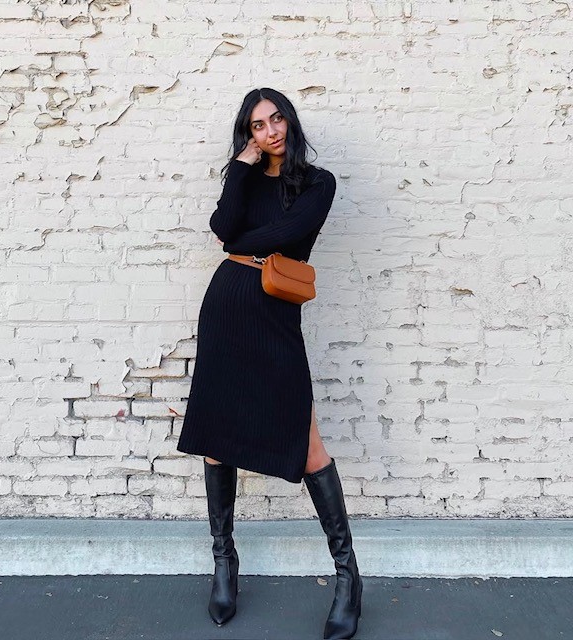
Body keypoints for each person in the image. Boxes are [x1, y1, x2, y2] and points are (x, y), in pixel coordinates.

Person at [176, 87, 363, 640]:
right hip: (228, 303)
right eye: (257, 126)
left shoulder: (317, 182)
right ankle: (224, 563)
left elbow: (285, 235)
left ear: (290, 120)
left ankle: (348, 578)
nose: (271, 131)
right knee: (215, 435)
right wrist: (239, 167)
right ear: (249, 135)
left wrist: (239, 239)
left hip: (274, 310)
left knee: (307, 445)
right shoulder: (246, 174)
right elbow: (223, 230)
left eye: (276, 118)